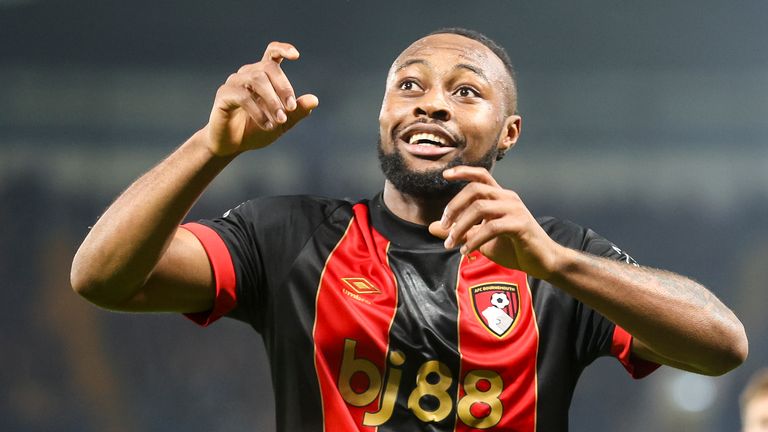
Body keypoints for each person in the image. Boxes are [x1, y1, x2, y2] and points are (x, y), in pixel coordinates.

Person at [70, 28, 748, 431]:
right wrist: (211, 147)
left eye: (466, 91)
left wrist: (558, 265)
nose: (431, 102)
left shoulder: (554, 257)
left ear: (508, 133)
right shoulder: (290, 236)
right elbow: (99, 277)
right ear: (383, 114)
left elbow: (723, 346)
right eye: (410, 85)